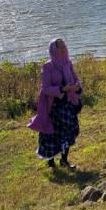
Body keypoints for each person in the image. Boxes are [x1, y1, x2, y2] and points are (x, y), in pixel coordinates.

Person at [28, 38, 83, 168]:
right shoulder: (48, 66)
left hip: (68, 103)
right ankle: (50, 161)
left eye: (65, 46)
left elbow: (76, 79)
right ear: (54, 50)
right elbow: (46, 88)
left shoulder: (68, 63)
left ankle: (64, 160)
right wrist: (62, 89)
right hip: (54, 106)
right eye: (60, 47)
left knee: (69, 130)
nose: (64, 49)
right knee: (52, 134)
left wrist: (77, 86)